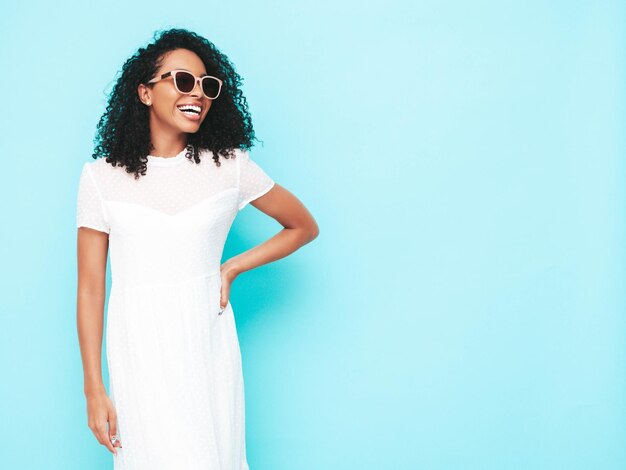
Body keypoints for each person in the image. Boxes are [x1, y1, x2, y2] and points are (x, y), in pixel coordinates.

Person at [76, 28, 319, 469]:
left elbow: (302, 226)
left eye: (208, 85)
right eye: (182, 81)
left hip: (205, 342)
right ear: (145, 93)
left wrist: (233, 267)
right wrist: (94, 388)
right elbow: (91, 289)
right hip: (138, 348)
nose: (198, 94)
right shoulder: (100, 178)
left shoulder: (229, 167)